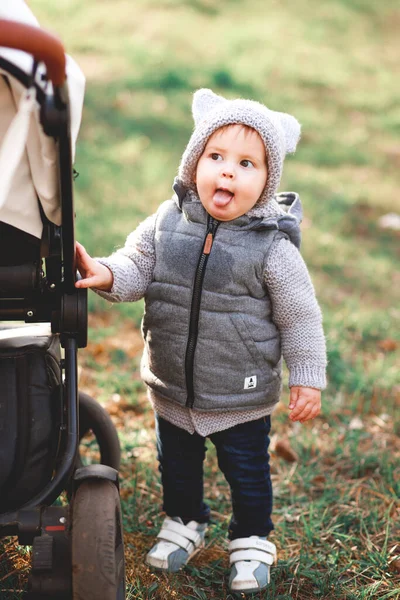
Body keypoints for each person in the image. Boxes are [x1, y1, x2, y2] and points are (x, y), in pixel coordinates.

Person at [75, 88, 327, 595]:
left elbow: (301, 316)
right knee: (178, 466)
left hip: (241, 391)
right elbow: (137, 263)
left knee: (248, 472)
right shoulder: (167, 223)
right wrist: (104, 272)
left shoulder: (271, 248)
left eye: (246, 163)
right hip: (172, 386)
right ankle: (185, 519)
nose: (228, 171)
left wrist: (307, 377)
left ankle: (252, 536)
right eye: (216, 157)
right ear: (194, 163)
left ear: (268, 181)